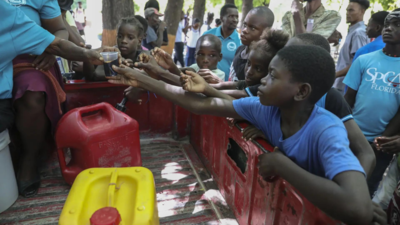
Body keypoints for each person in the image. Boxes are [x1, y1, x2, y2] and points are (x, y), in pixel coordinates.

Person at [108, 45, 374, 224]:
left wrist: (282, 165)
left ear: (301, 92)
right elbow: (199, 103)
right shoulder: (265, 109)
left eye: (272, 75)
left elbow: (359, 209)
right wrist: (141, 79)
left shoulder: (327, 130)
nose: (262, 83)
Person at [1, 0, 111, 197]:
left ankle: (30, 158)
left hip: (35, 55)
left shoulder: (14, 17)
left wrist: (52, 50)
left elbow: (59, 37)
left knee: (31, 93)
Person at [240, 32, 375, 178]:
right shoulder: (276, 89)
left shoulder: (330, 100)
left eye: (295, 54)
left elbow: (366, 153)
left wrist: (352, 187)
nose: (285, 56)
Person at [344, 10, 400, 196]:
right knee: (341, 181)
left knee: (365, 190)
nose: (388, 29)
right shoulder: (364, 60)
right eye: (387, 24)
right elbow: (348, 100)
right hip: (351, 136)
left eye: (396, 25)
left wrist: (381, 140)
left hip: (382, 144)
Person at [214, 29, 288, 97]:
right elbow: (225, 85)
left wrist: (206, 88)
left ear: (270, 71)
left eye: (258, 69)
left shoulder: (261, 87)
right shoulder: (251, 81)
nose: (249, 71)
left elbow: (240, 94)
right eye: (248, 63)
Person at [83, 17, 145, 81]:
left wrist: (131, 70)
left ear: (139, 41)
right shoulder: (110, 53)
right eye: (120, 36)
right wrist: (120, 68)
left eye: (130, 38)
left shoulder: (143, 57)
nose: (124, 41)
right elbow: (96, 75)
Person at [228, 6, 275, 82]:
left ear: (266, 31)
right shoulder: (240, 49)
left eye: (252, 28)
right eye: (245, 25)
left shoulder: (261, 61)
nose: (244, 30)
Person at [333, 0, 370, 94]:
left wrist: (335, 75)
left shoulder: (358, 33)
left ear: (362, 11)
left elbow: (358, 63)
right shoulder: (354, 31)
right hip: (341, 84)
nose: (347, 13)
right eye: (347, 10)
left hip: (345, 86)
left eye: (351, 10)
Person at [152, 34, 225, 81]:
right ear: (195, 55)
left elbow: (186, 81)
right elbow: (181, 72)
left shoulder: (218, 75)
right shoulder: (195, 67)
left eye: (212, 55)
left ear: (220, 57)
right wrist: (167, 65)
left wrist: (172, 67)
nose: (205, 60)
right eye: (201, 54)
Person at [203, 4, 241, 80]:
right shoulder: (207, 35)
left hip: (225, 87)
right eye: (231, 16)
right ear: (221, 18)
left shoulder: (240, 41)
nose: (235, 20)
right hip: (204, 82)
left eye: (237, 17)